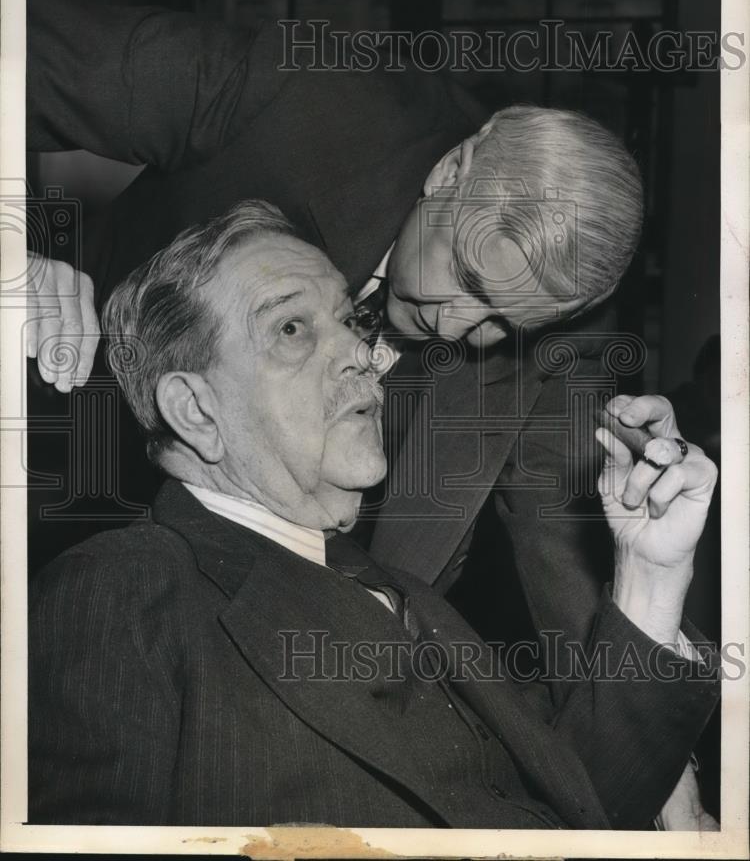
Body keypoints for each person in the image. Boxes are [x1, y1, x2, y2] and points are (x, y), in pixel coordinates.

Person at [28, 200, 718, 828]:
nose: (364, 355)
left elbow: (578, 811)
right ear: (196, 412)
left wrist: (652, 573)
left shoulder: (406, 595)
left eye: (350, 320)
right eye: (292, 328)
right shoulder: (122, 589)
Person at [26, 0, 642, 660]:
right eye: (468, 277)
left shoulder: (561, 322)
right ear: (448, 173)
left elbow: (577, 597)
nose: (454, 326)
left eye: (501, 321)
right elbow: (22, 51)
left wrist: (653, 584)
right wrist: (12, 258)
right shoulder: (300, 97)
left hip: (246, 641)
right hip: (43, 442)